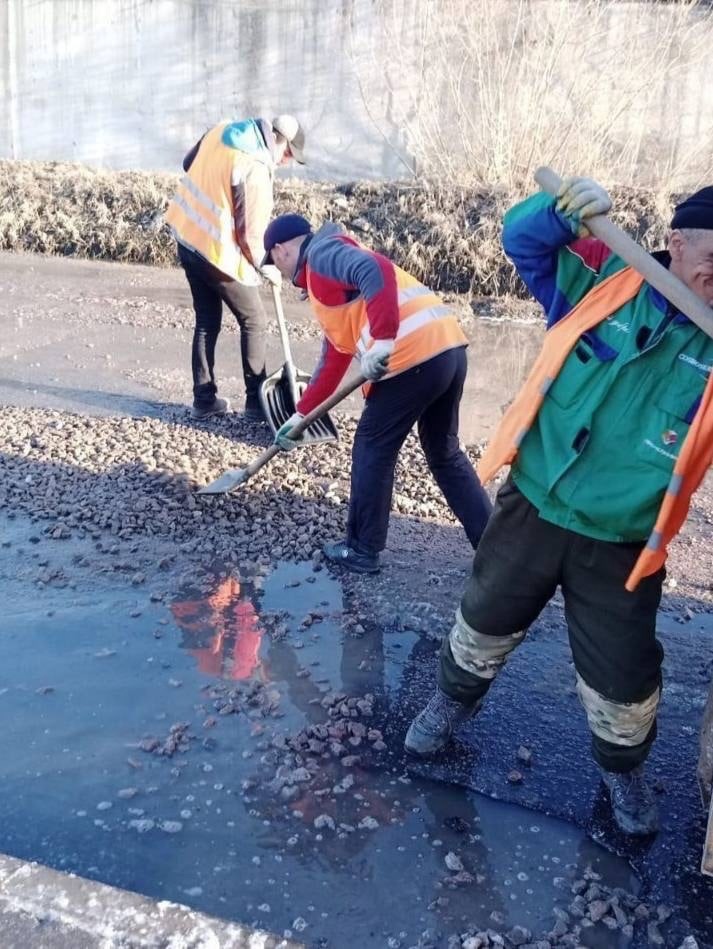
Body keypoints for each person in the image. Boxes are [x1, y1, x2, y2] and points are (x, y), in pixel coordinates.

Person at [405, 177, 713, 836]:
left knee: (623, 677)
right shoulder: (604, 285)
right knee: (482, 618)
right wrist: (562, 211)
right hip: (533, 506)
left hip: (623, 542)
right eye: (712, 263)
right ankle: (448, 703)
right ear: (674, 243)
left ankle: (621, 770)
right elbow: (522, 238)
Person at [260, 213, 493, 574]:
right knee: (443, 452)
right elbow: (335, 358)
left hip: (410, 357)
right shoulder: (326, 282)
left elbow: (376, 270)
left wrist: (383, 341)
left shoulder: (323, 254)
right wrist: (300, 416)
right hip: (448, 348)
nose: (276, 267)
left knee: (372, 446)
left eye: (272, 259)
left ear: (280, 250)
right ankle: (496, 548)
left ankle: (362, 549)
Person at [165, 115, 306, 420]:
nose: (285, 162)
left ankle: (204, 401)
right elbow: (251, 234)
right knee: (254, 320)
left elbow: (189, 162)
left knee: (206, 320)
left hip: (186, 235)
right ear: (279, 141)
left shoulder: (222, 129)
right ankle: (256, 405)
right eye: (287, 155)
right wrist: (266, 266)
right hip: (215, 251)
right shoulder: (254, 167)